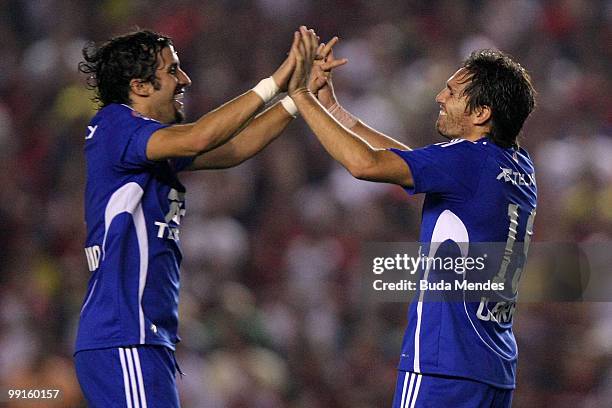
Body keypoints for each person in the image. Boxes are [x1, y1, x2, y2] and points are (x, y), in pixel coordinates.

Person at [73, 29, 344, 407]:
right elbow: (201, 137)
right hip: (124, 333)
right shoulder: (115, 124)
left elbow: (234, 148)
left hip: (141, 338)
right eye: (173, 70)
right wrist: (276, 80)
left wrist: (298, 98)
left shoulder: (149, 143)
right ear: (140, 86)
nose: (184, 79)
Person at [289, 26, 537, 407]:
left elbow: (364, 164)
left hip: (442, 364)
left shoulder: (466, 162)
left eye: (452, 92)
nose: (439, 97)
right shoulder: (517, 166)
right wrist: (335, 110)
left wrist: (301, 96)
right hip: (492, 369)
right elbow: (410, 161)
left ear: (481, 112)